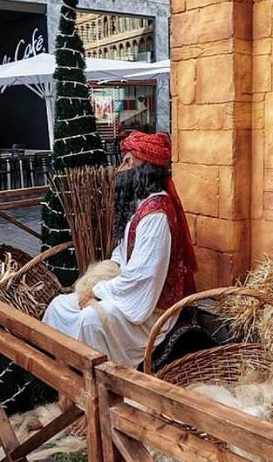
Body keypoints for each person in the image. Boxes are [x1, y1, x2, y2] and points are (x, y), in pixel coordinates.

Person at [42, 131, 198, 367]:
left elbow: (142, 278)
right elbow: (122, 253)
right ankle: (61, 374)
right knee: (58, 307)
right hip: (125, 290)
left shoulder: (155, 216)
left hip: (150, 308)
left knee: (90, 321)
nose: (120, 169)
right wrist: (104, 274)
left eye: (127, 161)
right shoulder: (141, 204)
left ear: (145, 168)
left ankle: (98, 386)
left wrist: (97, 291)